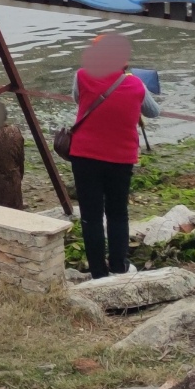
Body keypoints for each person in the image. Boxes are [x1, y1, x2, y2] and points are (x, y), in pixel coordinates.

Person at [67, 33, 159, 279]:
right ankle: (119, 265)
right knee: (118, 213)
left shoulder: (81, 76)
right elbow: (154, 112)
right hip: (121, 158)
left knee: (91, 216)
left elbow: (78, 99)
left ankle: (98, 272)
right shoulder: (136, 84)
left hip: (84, 156)